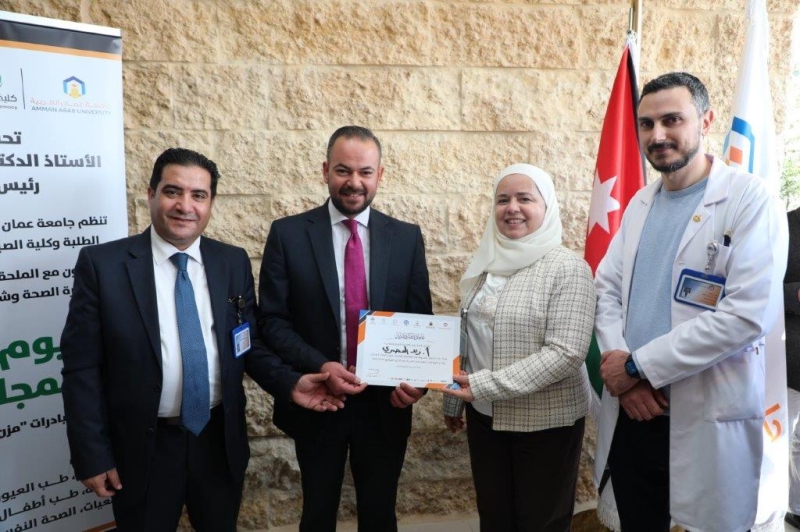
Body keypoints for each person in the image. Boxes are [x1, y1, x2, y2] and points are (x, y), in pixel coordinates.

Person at [60, 148, 344, 532]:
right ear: (151, 194)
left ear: (210, 203)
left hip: (218, 442)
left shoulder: (232, 261)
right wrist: (92, 454)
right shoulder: (103, 266)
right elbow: (82, 368)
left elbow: (247, 344)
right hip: (142, 448)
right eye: (172, 191)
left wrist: (291, 384)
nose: (185, 206)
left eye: (198, 195)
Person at [594, 72, 787, 532]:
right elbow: (606, 290)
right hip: (634, 409)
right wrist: (626, 376)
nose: (657, 135)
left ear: (706, 120)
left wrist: (637, 366)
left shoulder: (749, 200)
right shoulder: (641, 203)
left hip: (704, 411)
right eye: (646, 124)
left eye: (672, 120)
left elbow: (745, 316)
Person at [258, 125, 433, 531]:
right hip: (320, 397)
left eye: (365, 172)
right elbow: (272, 321)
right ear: (325, 171)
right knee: (317, 514)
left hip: (386, 405)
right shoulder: (288, 234)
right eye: (343, 170)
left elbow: (420, 323)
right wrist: (321, 366)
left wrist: (419, 383)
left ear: (379, 175)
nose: (354, 182)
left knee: (380, 516)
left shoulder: (406, 238)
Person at [441, 163, 595, 531]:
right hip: (484, 417)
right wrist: (453, 400)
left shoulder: (568, 268)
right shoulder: (485, 262)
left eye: (525, 198)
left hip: (545, 424)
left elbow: (566, 353)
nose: (512, 208)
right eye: (502, 199)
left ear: (547, 206)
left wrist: (483, 386)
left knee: (540, 523)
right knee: (495, 519)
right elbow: (467, 334)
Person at [785, 206, 800, 528]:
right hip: (790, 362)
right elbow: (758, 286)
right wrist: (795, 293)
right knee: (785, 439)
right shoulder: (785, 225)